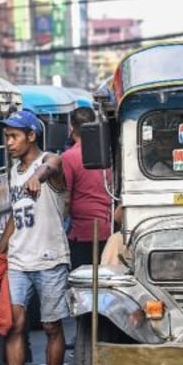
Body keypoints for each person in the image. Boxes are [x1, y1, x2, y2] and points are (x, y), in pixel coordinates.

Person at [0, 109, 70, 365]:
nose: (8, 143)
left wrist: (37, 175)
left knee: (50, 326)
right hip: (19, 260)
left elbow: (53, 164)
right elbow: (15, 215)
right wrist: (1, 247)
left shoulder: (49, 164)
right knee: (14, 324)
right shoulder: (13, 172)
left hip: (50, 258)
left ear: (31, 136)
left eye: (14, 136)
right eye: (6, 137)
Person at [62, 106, 112, 269]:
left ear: (72, 128)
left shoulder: (68, 157)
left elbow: (66, 200)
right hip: (107, 229)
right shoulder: (109, 154)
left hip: (81, 233)